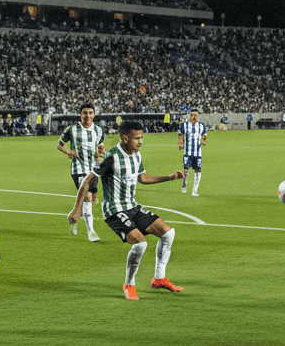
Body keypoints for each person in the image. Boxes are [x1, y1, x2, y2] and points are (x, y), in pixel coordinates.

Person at [68, 120, 184, 300]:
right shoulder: (110, 156)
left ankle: (159, 278)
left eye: (142, 137)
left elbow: (143, 178)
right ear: (124, 138)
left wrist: (169, 177)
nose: (141, 142)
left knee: (168, 234)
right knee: (140, 243)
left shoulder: (137, 155)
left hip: (133, 207)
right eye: (137, 138)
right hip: (114, 211)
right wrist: (77, 210)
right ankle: (129, 284)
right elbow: (87, 181)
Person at [57, 103, 105, 241]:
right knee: (87, 199)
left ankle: (73, 217)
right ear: (80, 114)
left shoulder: (98, 130)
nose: (88, 115)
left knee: (92, 198)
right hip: (78, 168)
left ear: (94, 115)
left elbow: (100, 146)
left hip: (93, 169)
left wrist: (100, 155)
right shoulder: (71, 129)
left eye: (90, 113)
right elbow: (59, 144)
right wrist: (68, 152)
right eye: (85, 113)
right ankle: (91, 232)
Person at [178, 109, 208, 196]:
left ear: (198, 116)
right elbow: (180, 135)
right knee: (186, 170)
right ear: (190, 116)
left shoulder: (201, 126)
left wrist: (204, 141)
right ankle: (184, 184)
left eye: (195, 115)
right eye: (192, 115)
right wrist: (181, 143)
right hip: (188, 152)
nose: (194, 117)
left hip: (198, 153)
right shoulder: (185, 125)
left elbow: (204, 136)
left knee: (198, 170)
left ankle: (194, 190)